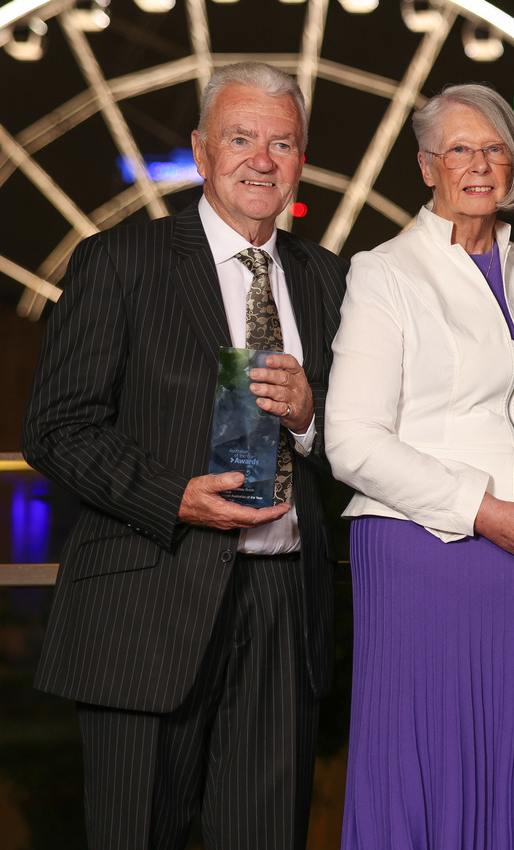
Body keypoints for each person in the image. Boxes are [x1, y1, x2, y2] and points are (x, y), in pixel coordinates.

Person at [22, 62, 348, 850]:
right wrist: (174, 495)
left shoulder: (331, 279)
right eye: (241, 138)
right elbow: (57, 427)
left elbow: (364, 441)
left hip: (282, 605)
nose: (261, 159)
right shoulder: (119, 262)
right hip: (147, 600)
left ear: (302, 160)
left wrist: (311, 418)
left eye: (281, 143)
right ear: (202, 152)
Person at [325, 82, 514, 849]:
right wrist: (485, 509)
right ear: (427, 166)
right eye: (460, 149)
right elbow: (350, 440)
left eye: (495, 148)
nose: (480, 164)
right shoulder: (384, 273)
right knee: (436, 769)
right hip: (432, 550)